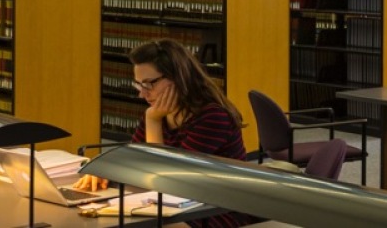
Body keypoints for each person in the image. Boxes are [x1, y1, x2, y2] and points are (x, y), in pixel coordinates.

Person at [73, 40, 252, 228]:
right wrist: (104, 171)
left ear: (177, 77)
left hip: (213, 212)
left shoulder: (213, 117)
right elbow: (133, 161)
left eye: (149, 84)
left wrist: (152, 121)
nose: (142, 94)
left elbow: (165, 180)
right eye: (138, 85)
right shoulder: (158, 113)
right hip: (174, 207)